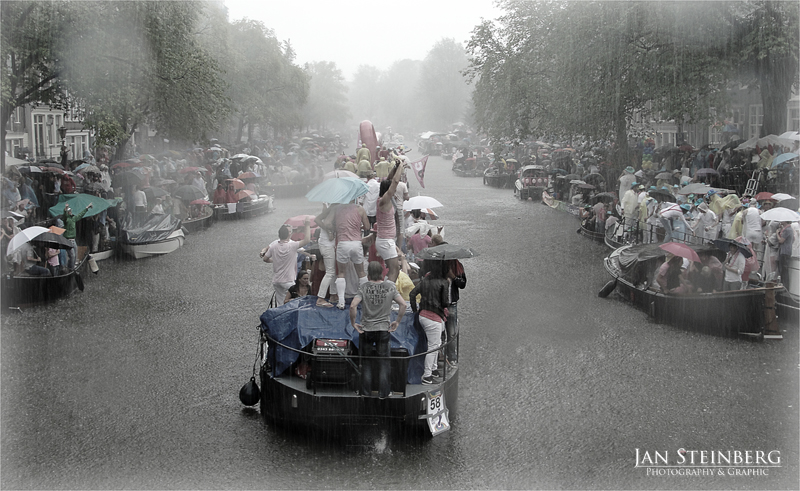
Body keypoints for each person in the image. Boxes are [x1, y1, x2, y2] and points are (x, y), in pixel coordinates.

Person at [350, 261, 406, 399]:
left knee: (367, 362)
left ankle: (366, 393)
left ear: (368, 273)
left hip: (367, 329)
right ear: (382, 272)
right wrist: (397, 322)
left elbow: (352, 306)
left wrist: (353, 323)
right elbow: (403, 304)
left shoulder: (363, 287)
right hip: (383, 329)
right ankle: (384, 393)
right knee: (384, 362)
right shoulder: (390, 287)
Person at [409, 260, 450, 385]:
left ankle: (434, 369)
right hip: (434, 317)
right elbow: (445, 303)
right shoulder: (443, 282)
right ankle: (427, 375)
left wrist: (415, 309)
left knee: (435, 343)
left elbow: (412, 294)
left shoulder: (425, 281)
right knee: (433, 347)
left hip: (423, 316)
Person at [261, 218, 311, 306]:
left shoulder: (274, 246)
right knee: (294, 303)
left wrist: (275, 261)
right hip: (288, 280)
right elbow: (307, 240)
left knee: (280, 303)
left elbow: (265, 259)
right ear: (289, 234)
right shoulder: (292, 245)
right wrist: (307, 225)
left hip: (276, 281)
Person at [333, 198, 371, 309]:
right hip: (356, 243)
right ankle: (365, 299)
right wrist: (359, 226)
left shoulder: (337, 209)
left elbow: (335, 226)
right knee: (361, 272)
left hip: (342, 243)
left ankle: (341, 301)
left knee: (341, 273)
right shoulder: (360, 209)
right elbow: (367, 226)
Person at [375, 160, 407, 283]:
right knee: (395, 271)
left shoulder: (382, 199)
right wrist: (401, 167)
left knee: (394, 270)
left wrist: (395, 167)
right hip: (385, 241)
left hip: (386, 240)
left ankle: (388, 293)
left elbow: (389, 181)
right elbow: (394, 182)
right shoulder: (384, 201)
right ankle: (386, 295)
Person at [444, 259, 466, 365]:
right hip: (440, 305)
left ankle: (452, 357)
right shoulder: (438, 267)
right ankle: (441, 356)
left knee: (451, 333)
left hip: (452, 304)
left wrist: (453, 277)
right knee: (440, 333)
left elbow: (462, 284)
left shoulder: (458, 267)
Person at [63, 202, 93, 270]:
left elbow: (80, 215)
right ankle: (70, 267)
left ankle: (72, 266)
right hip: (67, 240)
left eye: (70, 211)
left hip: (73, 240)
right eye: (69, 211)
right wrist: (65, 208)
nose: (70, 212)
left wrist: (87, 208)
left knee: (75, 255)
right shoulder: (66, 220)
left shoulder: (74, 219)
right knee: (72, 255)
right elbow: (64, 216)